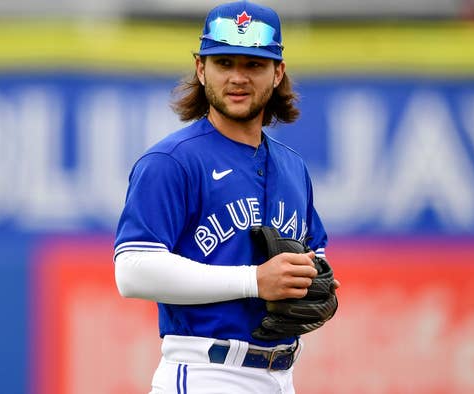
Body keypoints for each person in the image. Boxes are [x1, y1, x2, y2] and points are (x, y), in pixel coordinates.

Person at [113, 1, 338, 393]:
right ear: (201, 69)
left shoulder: (292, 168)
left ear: (277, 72)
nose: (238, 77)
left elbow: (314, 257)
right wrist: (255, 280)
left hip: (280, 376)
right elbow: (132, 269)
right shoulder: (172, 161)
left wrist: (310, 278)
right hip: (205, 372)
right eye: (225, 63)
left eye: (253, 64)